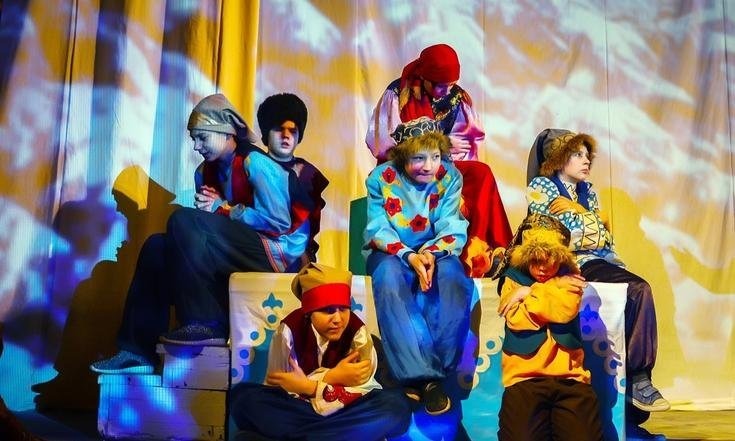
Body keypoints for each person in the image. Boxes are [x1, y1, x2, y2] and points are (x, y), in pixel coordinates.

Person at [90, 93, 317, 374]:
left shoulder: (255, 163)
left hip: (275, 253)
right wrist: (216, 213)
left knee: (183, 220)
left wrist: (225, 210)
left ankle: (205, 322)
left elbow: (279, 222)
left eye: (202, 138)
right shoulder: (203, 172)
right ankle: (137, 351)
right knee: (156, 247)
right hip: (234, 252)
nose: (197, 146)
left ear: (225, 132)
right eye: (194, 139)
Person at [526, 128, 670, 415]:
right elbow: (563, 235)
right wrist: (592, 221)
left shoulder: (586, 191)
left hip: (597, 260)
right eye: (577, 154)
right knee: (638, 290)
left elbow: (603, 238)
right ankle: (639, 378)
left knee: (639, 292)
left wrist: (578, 213)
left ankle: (637, 381)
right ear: (558, 158)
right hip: (566, 263)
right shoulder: (541, 187)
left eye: (586, 154)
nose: (586, 160)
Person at [365, 43, 512, 277]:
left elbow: (468, 141)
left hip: (442, 164)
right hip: (406, 166)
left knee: (481, 173)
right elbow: (381, 141)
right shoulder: (398, 94)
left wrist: (447, 152)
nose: (446, 91)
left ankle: (484, 251)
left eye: (450, 85)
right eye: (441, 85)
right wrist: (436, 145)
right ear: (425, 77)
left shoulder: (457, 98)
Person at [363, 117, 474, 415]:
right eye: (418, 158)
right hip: (392, 250)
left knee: (453, 278)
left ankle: (436, 371)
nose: (429, 166)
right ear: (403, 157)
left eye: (435, 157)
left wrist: (431, 253)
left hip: (435, 249)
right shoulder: (381, 178)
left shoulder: (449, 176)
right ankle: (424, 377)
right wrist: (408, 256)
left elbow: (451, 223)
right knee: (388, 277)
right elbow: (377, 227)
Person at [229, 263, 411, 441]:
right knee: (242, 398)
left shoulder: (359, 334)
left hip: (347, 408)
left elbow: (363, 389)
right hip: (302, 409)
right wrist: (331, 377)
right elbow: (279, 385)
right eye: (327, 310)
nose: (338, 319)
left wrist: (311, 387)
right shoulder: (288, 331)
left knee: (396, 406)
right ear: (309, 312)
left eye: (343, 309)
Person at [494, 213, 603, 440]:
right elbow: (517, 318)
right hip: (525, 379)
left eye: (550, 259)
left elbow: (563, 310)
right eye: (535, 259)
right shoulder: (512, 279)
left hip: (570, 380)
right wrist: (551, 290)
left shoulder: (571, 278)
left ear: (560, 257)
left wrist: (528, 292)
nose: (542, 267)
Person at [256, 93, 329, 264]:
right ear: (266, 133)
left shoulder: (308, 175)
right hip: (257, 249)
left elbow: (309, 227)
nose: (286, 136)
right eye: (279, 129)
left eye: (293, 131)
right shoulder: (251, 166)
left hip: (295, 255)